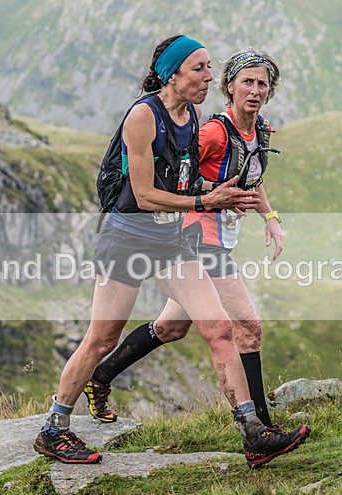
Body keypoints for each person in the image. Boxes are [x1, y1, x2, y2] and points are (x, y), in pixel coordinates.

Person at [34, 37, 308, 467]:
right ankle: (54, 428)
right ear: (173, 74)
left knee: (218, 328)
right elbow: (143, 194)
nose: (208, 77)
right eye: (199, 69)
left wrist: (218, 194)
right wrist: (205, 203)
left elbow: (180, 180)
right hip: (129, 238)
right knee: (102, 338)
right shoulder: (143, 116)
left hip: (171, 240)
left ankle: (253, 434)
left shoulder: (191, 114)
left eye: (209, 67)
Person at [84, 49, 289, 432]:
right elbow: (182, 173)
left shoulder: (260, 128)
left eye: (263, 84)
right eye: (247, 81)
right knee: (247, 327)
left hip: (219, 238)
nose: (256, 90)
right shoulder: (214, 131)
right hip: (196, 238)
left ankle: (101, 376)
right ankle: (262, 427)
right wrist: (200, 200)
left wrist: (271, 217)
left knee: (171, 328)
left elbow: (251, 179)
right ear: (230, 87)